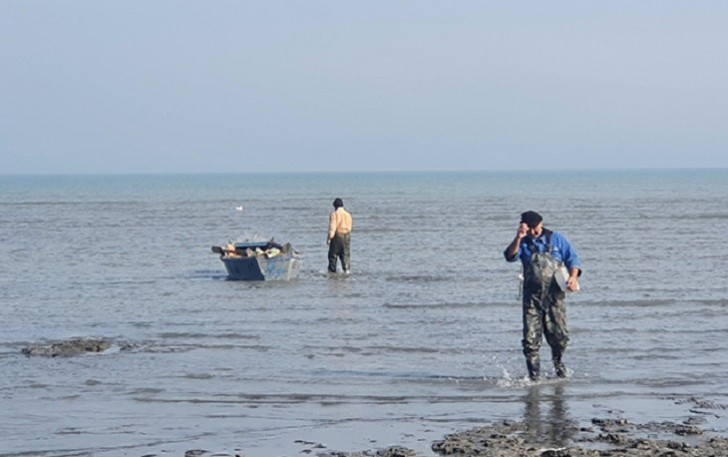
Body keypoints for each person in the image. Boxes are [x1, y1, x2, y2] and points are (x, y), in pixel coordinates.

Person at [504, 210, 582, 381]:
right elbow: (509, 256)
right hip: (532, 299)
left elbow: (573, 260)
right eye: (529, 228)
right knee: (530, 340)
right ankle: (534, 377)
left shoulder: (557, 239)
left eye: (535, 227)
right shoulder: (522, 242)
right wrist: (518, 237)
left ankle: (558, 365)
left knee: (560, 337)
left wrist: (573, 278)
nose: (533, 231)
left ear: (541, 223)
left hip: (555, 297)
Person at [327, 197, 353, 273]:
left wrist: (329, 238)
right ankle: (347, 271)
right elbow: (350, 226)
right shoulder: (348, 215)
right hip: (347, 235)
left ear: (335, 206)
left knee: (333, 255)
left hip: (337, 236)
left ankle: (332, 272)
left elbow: (332, 227)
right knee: (346, 255)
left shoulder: (334, 214)